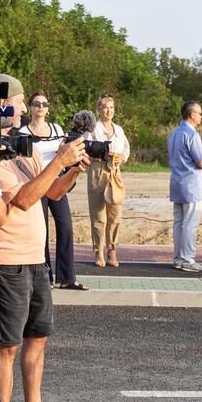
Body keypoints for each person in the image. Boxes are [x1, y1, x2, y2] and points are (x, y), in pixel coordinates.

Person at [0, 74, 89, 402]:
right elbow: (23, 200)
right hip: (7, 259)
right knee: (7, 344)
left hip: (35, 257)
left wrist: (72, 169)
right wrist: (58, 158)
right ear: (1, 103)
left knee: (38, 337)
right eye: (21, 101)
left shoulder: (20, 146)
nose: (26, 109)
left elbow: (49, 193)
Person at [18, 92, 85, 291]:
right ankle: (45, 278)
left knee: (65, 227)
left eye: (44, 104)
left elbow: (66, 153)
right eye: (36, 104)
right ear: (30, 108)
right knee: (42, 231)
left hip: (56, 182)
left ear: (48, 108)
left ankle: (67, 277)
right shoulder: (23, 132)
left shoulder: (56, 129)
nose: (40, 107)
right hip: (37, 182)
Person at [167, 100, 202, 272]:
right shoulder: (192, 134)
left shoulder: (174, 133)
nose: (201, 117)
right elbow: (201, 162)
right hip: (191, 184)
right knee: (190, 223)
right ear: (192, 114)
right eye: (199, 113)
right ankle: (187, 259)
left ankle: (178, 258)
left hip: (176, 182)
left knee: (179, 223)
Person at [86, 94, 130, 270]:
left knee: (115, 213)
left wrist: (122, 157)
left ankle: (112, 249)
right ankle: (99, 251)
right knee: (99, 215)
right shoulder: (93, 129)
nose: (108, 111)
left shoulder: (119, 130)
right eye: (105, 107)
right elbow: (86, 147)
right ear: (99, 110)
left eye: (111, 107)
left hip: (115, 171)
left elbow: (126, 149)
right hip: (98, 170)